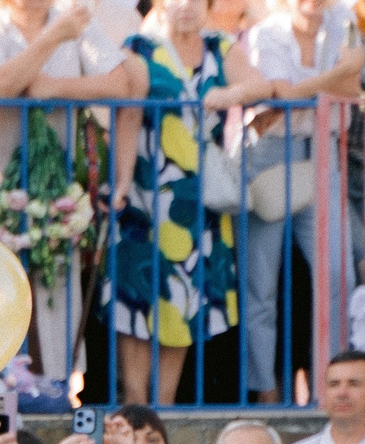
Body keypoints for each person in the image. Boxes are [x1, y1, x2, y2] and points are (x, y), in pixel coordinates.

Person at [0, 0, 141, 402]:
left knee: (54, 288)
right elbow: (0, 86)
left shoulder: (74, 20)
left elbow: (117, 84)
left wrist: (53, 87)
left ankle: (54, 390)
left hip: (55, 186)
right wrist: (54, 39)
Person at [106, 0, 253, 404]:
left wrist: (230, 94)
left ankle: (164, 405)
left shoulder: (220, 49)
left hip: (197, 204)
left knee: (184, 299)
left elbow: (262, 86)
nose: (185, 6)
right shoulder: (138, 48)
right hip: (144, 195)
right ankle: (135, 403)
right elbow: (128, 117)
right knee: (137, 297)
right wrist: (119, 183)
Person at [237, 0, 363, 406]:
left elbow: (347, 89)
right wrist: (337, 75)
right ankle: (266, 389)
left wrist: (306, 89)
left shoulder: (344, 20)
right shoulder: (266, 33)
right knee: (260, 285)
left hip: (321, 150)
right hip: (270, 153)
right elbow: (281, 96)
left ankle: (333, 388)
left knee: (338, 276)